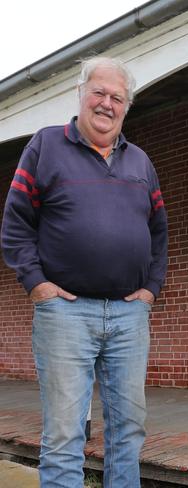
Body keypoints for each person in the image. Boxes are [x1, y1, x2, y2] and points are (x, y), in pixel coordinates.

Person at [1, 57, 168, 487]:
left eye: (117, 97)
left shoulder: (141, 162)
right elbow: (16, 224)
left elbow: (159, 231)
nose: (106, 104)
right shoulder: (45, 145)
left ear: (127, 107)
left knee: (128, 432)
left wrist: (151, 289)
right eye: (99, 92)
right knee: (63, 435)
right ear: (80, 93)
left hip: (130, 316)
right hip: (65, 314)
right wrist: (37, 284)